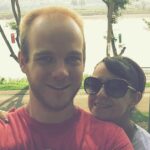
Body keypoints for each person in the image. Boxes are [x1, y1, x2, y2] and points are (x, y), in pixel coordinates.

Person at [0, 6, 134, 150]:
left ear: (83, 62)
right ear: (23, 61)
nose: (61, 72)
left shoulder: (110, 141)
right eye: (46, 58)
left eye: (72, 59)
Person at [84, 56, 150, 150]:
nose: (100, 94)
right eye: (94, 84)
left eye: (114, 87)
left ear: (135, 98)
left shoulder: (144, 146)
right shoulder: (73, 134)